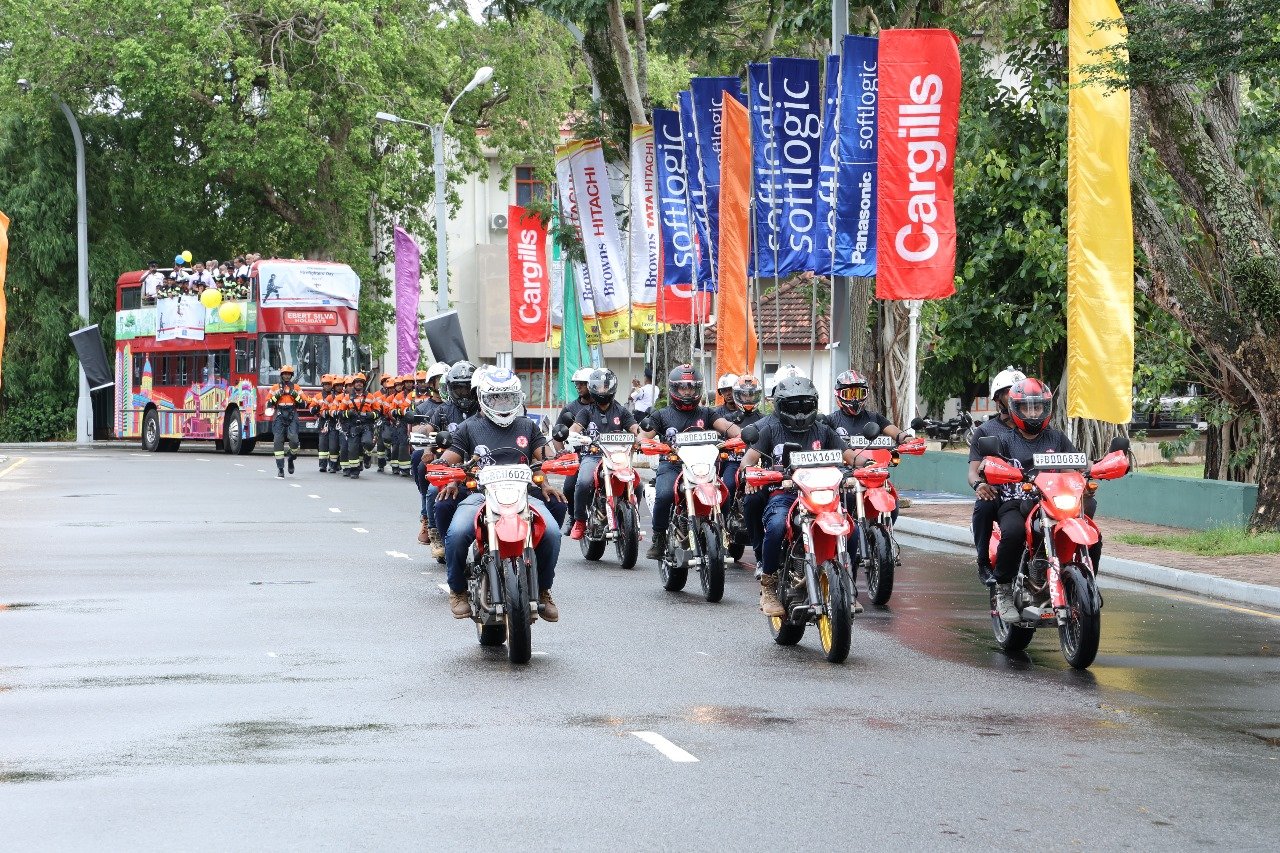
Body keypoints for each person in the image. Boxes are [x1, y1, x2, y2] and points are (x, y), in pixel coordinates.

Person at [437, 367, 567, 621]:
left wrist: (552, 470)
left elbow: (544, 456)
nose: (503, 403)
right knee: (457, 533)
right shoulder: (468, 427)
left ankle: (543, 590)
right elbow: (451, 456)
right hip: (480, 496)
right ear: (483, 398)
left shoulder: (527, 426)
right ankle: (458, 591)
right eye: (496, 398)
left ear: (517, 398)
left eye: (508, 397)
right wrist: (443, 467)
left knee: (552, 533)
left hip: (523, 497)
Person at [738, 376, 866, 617]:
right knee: (776, 526)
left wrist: (866, 464)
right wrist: (750, 473)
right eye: (792, 405)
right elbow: (749, 460)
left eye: (805, 405)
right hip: (785, 495)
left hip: (822, 495)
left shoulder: (823, 430)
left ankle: (848, 585)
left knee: (852, 530)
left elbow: (850, 455)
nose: (799, 412)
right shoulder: (770, 429)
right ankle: (769, 586)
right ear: (780, 405)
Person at [979, 377, 1099, 623]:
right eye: (1026, 408)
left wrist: (1091, 472)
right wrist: (989, 469)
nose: (1033, 413)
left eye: (1037, 407)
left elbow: (1076, 463)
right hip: (1017, 501)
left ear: (1046, 408)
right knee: (1013, 532)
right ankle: (1003, 590)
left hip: (1052, 500)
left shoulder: (1056, 438)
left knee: (1093, 533)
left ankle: (1087, 587)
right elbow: (987, 464)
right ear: (1015, 409)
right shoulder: (1005, 440)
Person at [639, 364, 740, 560]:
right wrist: (644, 442)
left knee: (724, 494)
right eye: (682, 387)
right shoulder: (662, 415)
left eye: (691, 387)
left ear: (698, 389)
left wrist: (742, 436)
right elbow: (644, 436)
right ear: (674, 388)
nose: (687, 392)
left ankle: (724, 532)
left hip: (703, 467)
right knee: (665, 494)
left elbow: (728, 427)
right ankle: (659, 537)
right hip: (673, 465)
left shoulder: (707, 414)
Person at [967, 367, 1026, 586]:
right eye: (1010, 392)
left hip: (1032, 492)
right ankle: (983, 561)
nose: (1017, 396)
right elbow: (973, 472)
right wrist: (979, 485)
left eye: (1020, 391)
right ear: (998, 398)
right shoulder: (985, 431)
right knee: (984, 504)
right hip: (1000, 493)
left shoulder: (1038, 429)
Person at [567, 368, 641, 540]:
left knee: (638, 485)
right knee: (583, 483)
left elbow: (634, 428)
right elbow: (575, 428)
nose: (603, 390)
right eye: (599, 387)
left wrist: (641, 438)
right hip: (593, 456)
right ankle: (580, 521)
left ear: (612, 387)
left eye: (606, 386)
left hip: (618, 456)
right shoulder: (586, 411)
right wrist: (573, 436)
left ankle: (633, 522)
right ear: (592, 388)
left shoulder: (621, 411)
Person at [718, 376, 765, 522]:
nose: (748, 398)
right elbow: (717, 437)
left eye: (752, 395)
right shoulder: (727, 419)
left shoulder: (765, 419)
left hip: (759, 464)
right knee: (729, 484)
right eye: (744, 395)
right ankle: (725, 521)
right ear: (737, 395)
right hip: (734, 461)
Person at [268, 365, 305, 477]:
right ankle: (280, 469)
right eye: (285, 374)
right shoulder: (275, 388)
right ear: (282, 375)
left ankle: (291, 458)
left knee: (294, 439)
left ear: (291, 375)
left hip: (292, 414)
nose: (287, 376)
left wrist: (295, 395)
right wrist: (277, 395)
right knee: (278, 441)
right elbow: (268, 403)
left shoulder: (296, 388)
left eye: (289, 374)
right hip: (279, 415)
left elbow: (303, 404)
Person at [339, 373, 378, 478]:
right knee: (352, 449)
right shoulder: (347, 397)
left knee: (368, 442)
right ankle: (354, 470)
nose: (359, 384)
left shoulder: (370, 397)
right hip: (353, 426)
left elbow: (378, 411)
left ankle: (367, 454)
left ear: (364, 384)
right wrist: (348, 413)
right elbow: (340, 413)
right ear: (353, 384)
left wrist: (371, 415)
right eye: (357, 382)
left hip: (366, 425)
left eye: (361, 382)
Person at [314, 374, 337, 472]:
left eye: (329, 384)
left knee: (334, 445)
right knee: (323, 443)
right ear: (322, 385)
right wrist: (315, 409)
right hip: (323, 422)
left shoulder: (336, 396)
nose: (327, 386)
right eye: (325, 384)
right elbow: (311, 407)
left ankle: (333, 465)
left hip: (335, 422)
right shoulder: (318, 396)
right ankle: (322, 465)